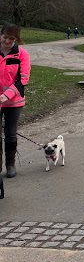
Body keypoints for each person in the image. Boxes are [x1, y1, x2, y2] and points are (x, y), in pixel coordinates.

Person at [0, 24, 31, 178]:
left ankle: (10, 164)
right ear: (1, 35)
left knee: (10, 134)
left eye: (11, 39)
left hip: (14, 101)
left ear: (16, 40)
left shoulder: (21, 54)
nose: (7, 42)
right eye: (5, 37)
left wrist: (8, 94)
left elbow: (23, 79)